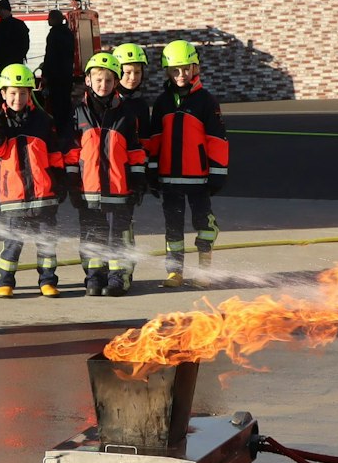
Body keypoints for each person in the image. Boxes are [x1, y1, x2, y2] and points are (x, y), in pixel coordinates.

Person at [147, 40, 229, 288]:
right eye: (175, 70)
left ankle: (204, 270)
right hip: (169, 178)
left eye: (185, 69)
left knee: (204, 225)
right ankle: (175, 271)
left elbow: (217, 140)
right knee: (173, 227)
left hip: (199, 178)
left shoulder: (206, 101)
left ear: (195, 68)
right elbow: (155, 140)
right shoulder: (162, 102)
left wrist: (218, 173)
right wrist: (152, 170)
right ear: (167, 72)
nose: (181, 75)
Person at [65, 52, 145, 296]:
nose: (103, 85)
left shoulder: (126, 114)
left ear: (116, 82)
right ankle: (93, 277)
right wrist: (71, 182)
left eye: (109, 81)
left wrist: (138, 181)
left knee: (117, 235)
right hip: (88, 190)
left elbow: (135, 151)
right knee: (91, 235)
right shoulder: (77, 113)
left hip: (118, 190)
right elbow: (71, 151)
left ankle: (118, 278)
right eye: (98, 80)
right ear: (88, 80)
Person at [0, 63, 65, 297]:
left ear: (30, 94)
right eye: (13, 92)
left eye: (23, 92)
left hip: (44, 196)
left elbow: (55, 153)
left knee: (46, 244)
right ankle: (5, 281)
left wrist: (59, 180)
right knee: (13, 244)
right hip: (14, 197)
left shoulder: (43, 120)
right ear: (3, 94)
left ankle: (47, 281)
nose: (18, 97)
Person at [112, 42, 154, 291]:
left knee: (125, 226)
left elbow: (145, 142)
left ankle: (125, 273)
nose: (132, 77)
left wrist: (142, 176)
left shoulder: (140, 105)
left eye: (137, 72)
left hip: (129, 174)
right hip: (107, 175)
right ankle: (104, 273)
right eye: (127, 72)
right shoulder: (109, 100)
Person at [0, 0, 30, 97]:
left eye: (2, 10)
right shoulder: (18, 25)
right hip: (6, 65)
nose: (1, 12)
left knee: (9, 91)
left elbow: (24, 45)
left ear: (8, 10)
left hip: (6, 65)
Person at [42, 8, 78, 124]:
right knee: (65, 101)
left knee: (56, 103)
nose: (48, 21)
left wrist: (45, 73)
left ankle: (59, 126)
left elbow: (50, 56)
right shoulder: (68, 33)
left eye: (50, 18)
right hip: (67, 73)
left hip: (55, 76)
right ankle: (67, 124)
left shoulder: (53, 34)